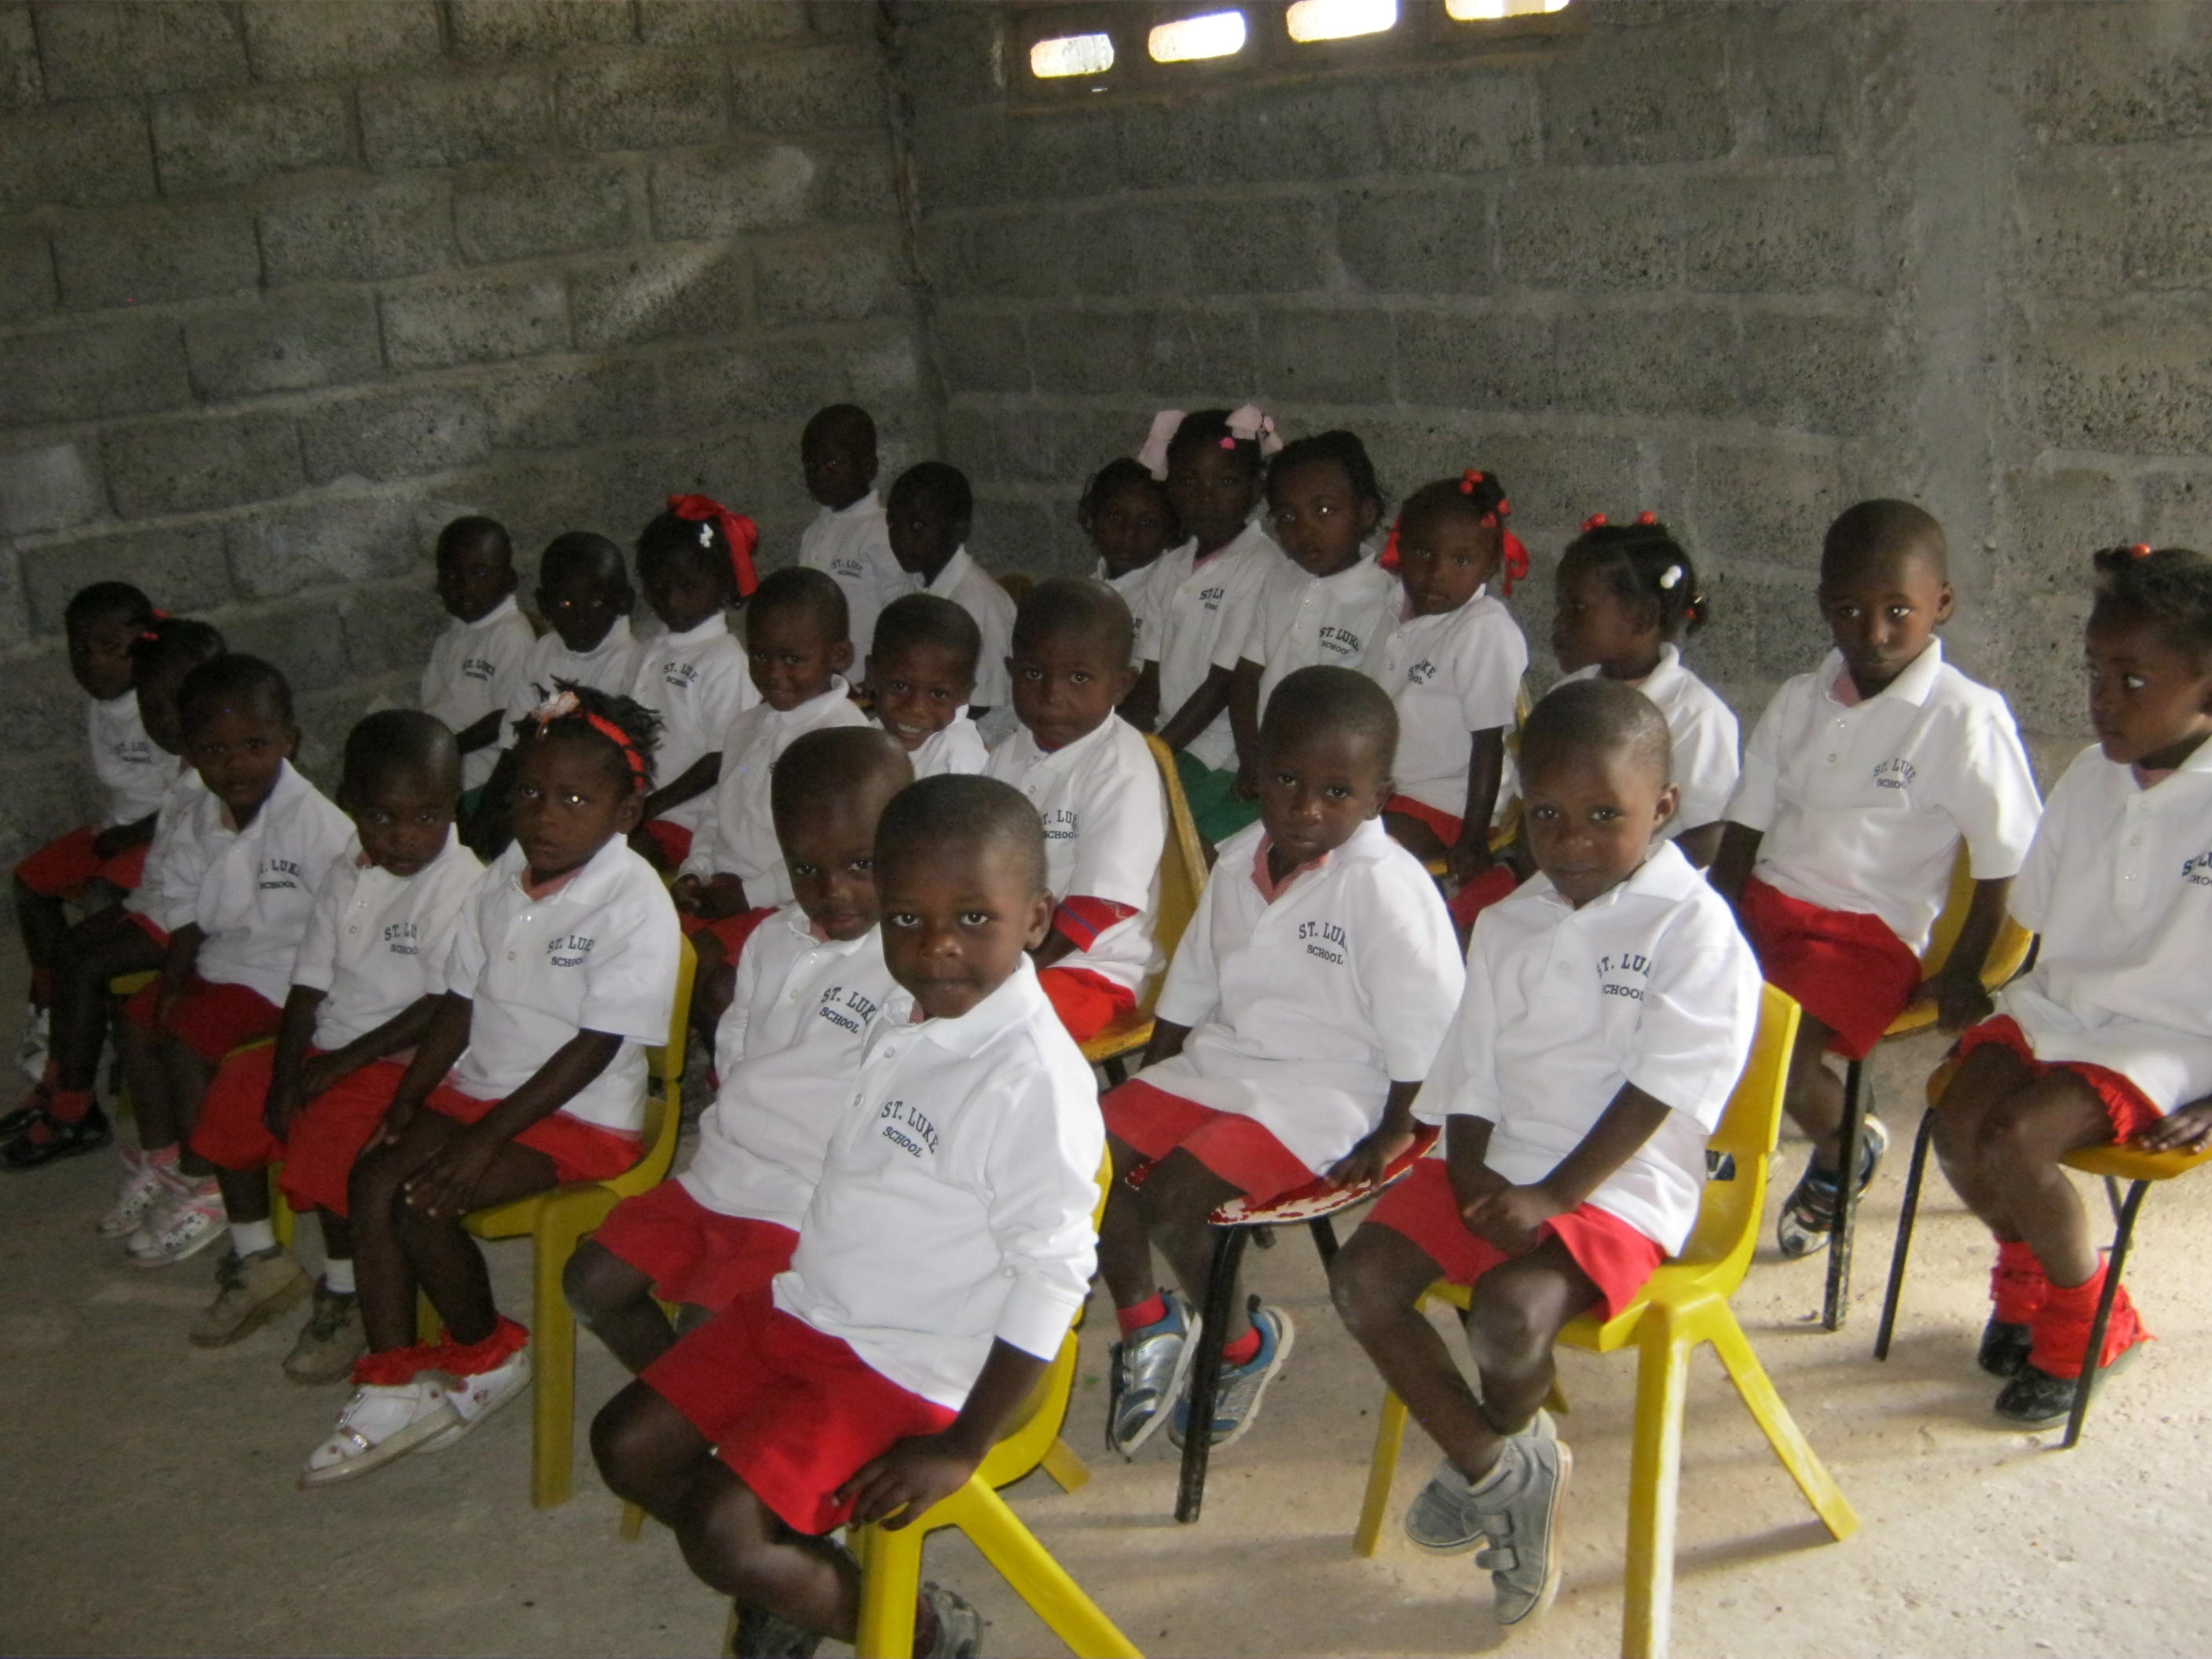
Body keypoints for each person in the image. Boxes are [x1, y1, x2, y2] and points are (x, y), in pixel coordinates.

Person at [589, 775, 1103, 1659]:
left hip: (908, 1364)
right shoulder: (910, 1016)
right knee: (626, 1446)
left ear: (1035, 917)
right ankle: (800, 1575)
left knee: (723, 1532)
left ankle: (916, 1629)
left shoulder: (1031, 1081)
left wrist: (964, 1446)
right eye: (905, 919)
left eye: (973, 918)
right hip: (808, 1306)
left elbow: (1052, 1275)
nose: (936, 944)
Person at [1329, 676, 1760, 1629]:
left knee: (1506, 1319)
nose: (1569, 840)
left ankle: (1494, 1452)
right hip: (1501, 1155)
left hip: (1620, 1180)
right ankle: (1504, 1467)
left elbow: (1664, 1084)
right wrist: (1476, 1169)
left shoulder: (1691, 928)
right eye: (1548, 815)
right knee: (1361, 1281)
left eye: (1604, 815)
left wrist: (1555, 1194)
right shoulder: (1508, 918)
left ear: (1664, 809)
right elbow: (1470, 1061)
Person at [300, 683, 679, 1486]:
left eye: (575, 797)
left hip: (578, 1116)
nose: (545, 814)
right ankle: (392, 1373)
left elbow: (594, 1045)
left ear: (626, 812)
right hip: (482, 1091)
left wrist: (481, 1139)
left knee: (422, 1195)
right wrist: (408, 1102)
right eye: (530, 793)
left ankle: (485, 1353)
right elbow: (458, 1003)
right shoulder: (502, 874)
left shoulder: (633, 900)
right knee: (372, 1173)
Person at [1098, 666, 1463, 1456]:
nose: (1304, 808)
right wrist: (1153, 1080)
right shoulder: (1237, 861)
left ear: (1378, 797)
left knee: (1169, 1200)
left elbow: (1427, 1030)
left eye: (1336, 793)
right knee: (1084, 1161)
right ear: (1256, 769)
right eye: (1287, 780)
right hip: (1223, 1064)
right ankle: (1146, 1327)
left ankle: (1239, 1346)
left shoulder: (1385, 890)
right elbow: (1192, 981)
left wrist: (1399, 1131)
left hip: (1326, 1092)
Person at [1927, 544, 2212, 1425]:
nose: (2100, 697)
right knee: (1955, 1119)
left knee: (2016, 1137)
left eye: (2131, 679)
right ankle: (2031, 1271)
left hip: (2169, 1034)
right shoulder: (2087, 779)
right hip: (2065, 1004)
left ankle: (2090, 1318)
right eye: (2094, 671)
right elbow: (2042, 927)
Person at [1710, 500, 2041, 1257]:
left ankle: (1843, 1149)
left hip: (1862, 936)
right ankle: (1677, 1176)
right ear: (1825, 607)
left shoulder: (1963, 717)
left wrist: (1964, 968)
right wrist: (1716, 927)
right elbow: (1747, 829)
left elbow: (2004, 857)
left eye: (1899, 610)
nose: (1876, 632)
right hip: (1770, 908)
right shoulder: (1800, 700)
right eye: (1851, 610)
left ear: (1941, 605)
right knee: (1670, 1010)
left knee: (1778, 1058)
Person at [566, 727, 912, 1374]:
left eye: (861, 865)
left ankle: (704, 1427)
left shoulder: (911, 963)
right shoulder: (770, 941)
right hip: (720, 1173)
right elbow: (732, 1056)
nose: (832, 889)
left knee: (710, 1331)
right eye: (807, 868)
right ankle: (695, 1417)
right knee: (590, 1283)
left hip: (809, 1202)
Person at [184, 712, 483, 1382]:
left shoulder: (460, 883)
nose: (403, 838)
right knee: (239, 1086)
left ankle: (348, 1291)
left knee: (336, 1134)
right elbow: (309, 982)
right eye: (381, 818)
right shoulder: (347, 870)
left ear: (452, 806)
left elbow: (441, 1006)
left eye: (426, 817)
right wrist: (289, 1070)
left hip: (413, 1062)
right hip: (337, 1043)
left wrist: (342, 1066)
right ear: (350, 805)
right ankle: (259, 1255)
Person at [101, 657, 356, 1265]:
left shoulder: (317, 824)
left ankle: (207, 1177)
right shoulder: (199, 820)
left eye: (254, 745)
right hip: (225, 964)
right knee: (139, 1020)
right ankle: (164, 1158)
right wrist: (173, 981)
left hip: (286, 980)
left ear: (288, 741)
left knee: (187, 1040)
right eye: (214, 750)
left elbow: (346, 924)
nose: (235, 763)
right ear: (190, 753)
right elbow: (185, 913)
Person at [2, 619, 225, 1178]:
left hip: (199, 922)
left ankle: (74, 1107)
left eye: (173, 704)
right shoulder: (187, 765)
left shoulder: (222, 775)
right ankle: (60, 1082)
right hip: (169, 902)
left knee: (85, 957)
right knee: (76, 947)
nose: (161, 719)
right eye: (150, 707)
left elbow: (208, 885)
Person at [984, 578, 1166, 1042]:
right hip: (1006, 946)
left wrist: (1017, 967)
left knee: (1007, 1032)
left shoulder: (1121, 768)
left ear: (1122, 685)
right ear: (1010, 669)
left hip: (1089, 968)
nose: (1050, 695)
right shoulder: (1008, 752)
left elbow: (1100, 902)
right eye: (1032, 674)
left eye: (1079, 678)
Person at [675, 568, 869, 991]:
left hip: (793, 903)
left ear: (838, 655)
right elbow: (716, 811)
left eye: (792, 659)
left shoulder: (843, 738)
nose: (774, 672)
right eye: (760, 656)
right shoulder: (747, 725)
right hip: (724, 888)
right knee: (647, 944)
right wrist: (696, 869)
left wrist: (748, 895)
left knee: (708, 973)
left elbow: (835, 855)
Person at [13, 581, 166, 1081]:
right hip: (121, 827)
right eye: (80, 649)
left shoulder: (158, 705)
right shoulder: (104, 703)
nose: (92, 662)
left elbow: (195, 797)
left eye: (110, 650)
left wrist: (129, 837)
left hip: (162, 834)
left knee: (105, 898)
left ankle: (125, 1026)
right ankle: (54, 1006)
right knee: (30, 881)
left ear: (143, 644)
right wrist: (116, 834)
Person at [1364, 470, 1530, 899]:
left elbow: (1488, 741)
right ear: (1400, 547)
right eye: (1422, 551)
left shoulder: (1482, 630)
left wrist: (1473, 837)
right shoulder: (1393, 608)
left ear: (1490, 564)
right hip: (1385, 790)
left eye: (1460, 560)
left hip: (1447, 803)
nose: (1437, 572)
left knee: (1358, 856)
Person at [1553, 512, 1737, 868]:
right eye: (1562, 606)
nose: (1560, 621)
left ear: (1642, 618)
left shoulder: (1695, 715)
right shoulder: (1566, 697)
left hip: (1653, 896)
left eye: (1578, 607)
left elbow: (1713, 834)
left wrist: (1635, 876)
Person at [1222, 433, 1399, 801]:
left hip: (1331, 781)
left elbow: (1370, 713)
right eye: (1287, 516)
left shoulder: (1384, 599)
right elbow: (1245, 677)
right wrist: (1251, 758)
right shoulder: (1279, 580)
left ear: (1365, 513)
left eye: (1324, 510)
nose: (1304, 530)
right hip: (1266, 764)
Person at [1136, 408, 1282, 844]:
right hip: (1170, 739)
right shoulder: (1171, 567)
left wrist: (1157, 753)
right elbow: (1150, 676)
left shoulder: (1262, 566)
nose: (1204, 496)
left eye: (1226, 482)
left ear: (1254, 488)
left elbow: (1224, 682)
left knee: (1165, 839)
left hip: (1221, 751)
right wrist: (1130, 744)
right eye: (1188, 481)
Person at [467, 531, 640, 855]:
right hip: (532, 785)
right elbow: (512, 743)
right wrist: (489, 811)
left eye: (598, 601)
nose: (581, 615)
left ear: (624, 601)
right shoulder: (544, 650)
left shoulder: (632, 664)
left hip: (582, 799)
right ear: (544, 605)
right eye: (565, 603)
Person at [626, 496, 760, 871]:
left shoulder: (725, 660)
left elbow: (723, 757)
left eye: (688, 586)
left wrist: (651, 806)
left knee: (620, 858)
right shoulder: (647, 650)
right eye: (659, 586)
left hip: (690, 820)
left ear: (724, 584)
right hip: (639, 809)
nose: (671, 599)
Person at [884, 461, 1015, 724]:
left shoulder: (977, 603)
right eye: (893, 524)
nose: (901, 537)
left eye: (918, 526)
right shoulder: (915, 584)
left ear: (960, 529)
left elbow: (982, 706)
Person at [418, 516, 535, 801]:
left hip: (483, 780)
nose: (465, 586)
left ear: (509, 580)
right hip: (445, 771)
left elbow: (508, 715)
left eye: (480, 574)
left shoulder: (511, 634)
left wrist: (449, 748)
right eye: (451, 576)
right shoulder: (451, 637)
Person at [798, 404, 905, 660]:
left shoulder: (881, 530)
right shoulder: (813, 533)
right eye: (811, 464)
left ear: (868, 467)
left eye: (833, 462)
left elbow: (899, 611)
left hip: (867, 680)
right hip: (823, 678)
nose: (820, 474)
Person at [1079, 456, 1180, 708]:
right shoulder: (1082, 593)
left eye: (1147, 523)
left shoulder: (1175, 592)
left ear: (1171, 528)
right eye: (1115, 517)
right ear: (1092, 517)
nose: (1128, 534)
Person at [866, 592, 988, 778]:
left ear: (965, 694)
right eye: (900, 686)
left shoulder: (958, 762)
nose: (916, 708)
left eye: (939, 694)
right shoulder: (873, 731)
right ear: (871, 675)